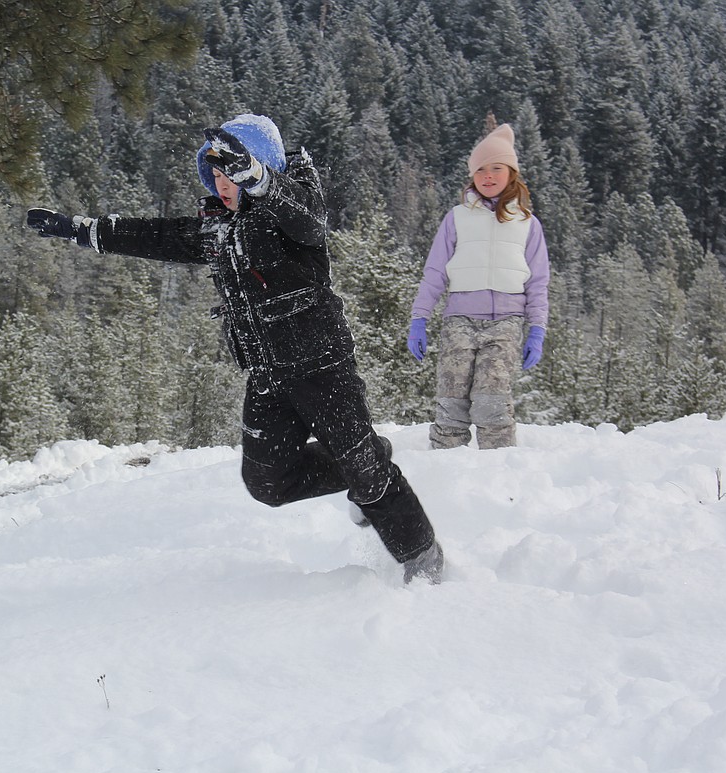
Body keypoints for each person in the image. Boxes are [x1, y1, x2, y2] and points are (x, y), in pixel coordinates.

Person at [27, 113, 444, 584]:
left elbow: (308, 220)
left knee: (367, 472)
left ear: (258, 166)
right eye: (218, 175)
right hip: (267, 377)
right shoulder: (219, 230)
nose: (223, 185)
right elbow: (156, 235)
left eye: (232, 174)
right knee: (267, 482)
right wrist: (82, 229)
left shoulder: (292, 212)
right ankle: (362, 457)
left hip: (322, 366)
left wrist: (262, 181)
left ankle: (423, 560)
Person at [407, 122, 550, 450]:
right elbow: (434, 272)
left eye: (496, 168)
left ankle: (498, 469)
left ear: (511, 172)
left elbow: (539, 281)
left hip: (506, 323)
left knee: (492, 397)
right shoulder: (456, 218)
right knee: (452, 396)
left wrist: (537, 330)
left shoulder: (528, 223)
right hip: (460, 320)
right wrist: (419, 319)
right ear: (472, 175)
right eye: (480, 170)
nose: (488, 176)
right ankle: (446, 463)